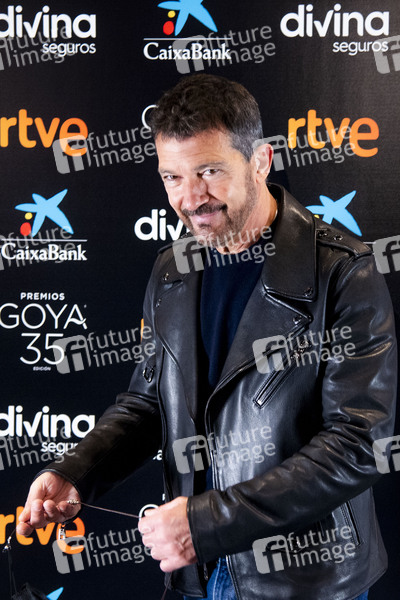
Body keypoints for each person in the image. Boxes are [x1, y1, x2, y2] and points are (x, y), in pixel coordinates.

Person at [17, 74, 396, 600]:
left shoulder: (344, 272)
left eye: (209, 171)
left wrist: (208, 521)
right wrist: (77, 472)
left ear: (260, 161)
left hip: (302, 580)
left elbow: (359, 444)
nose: (190, 198)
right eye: (172, 177)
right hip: (195, 572)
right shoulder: (172, 268)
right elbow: (148, 403)